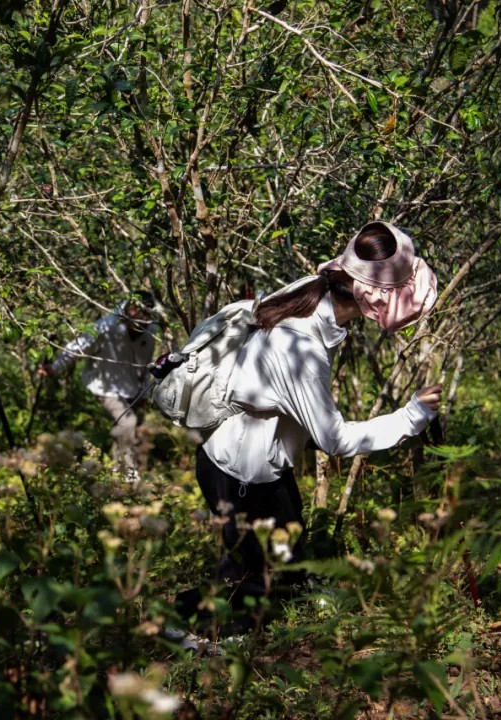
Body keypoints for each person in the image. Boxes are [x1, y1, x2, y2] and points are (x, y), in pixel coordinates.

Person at [178, 220, 441, 635]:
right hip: (237, 473)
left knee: (289, 541)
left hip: (264, 463)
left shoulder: (312, 289)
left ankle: (293, 593)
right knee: (244, 579)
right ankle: (188, 628)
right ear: (374, 298)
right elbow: (333, 440)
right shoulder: (300, 350)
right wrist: (412, 416)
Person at [37, 292, 158, 481]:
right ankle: (131, 478)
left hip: (132, 389)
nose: (140, 316)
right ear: (128, 310)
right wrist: (54, 368)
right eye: (135, 310)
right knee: (128, 422)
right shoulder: (106, 328)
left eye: (144, 312)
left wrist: (144, 392)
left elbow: (145, 363)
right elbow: (77, 347)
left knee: (125, 431)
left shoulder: (151, 333)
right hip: (105, 386)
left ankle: (116, 476)